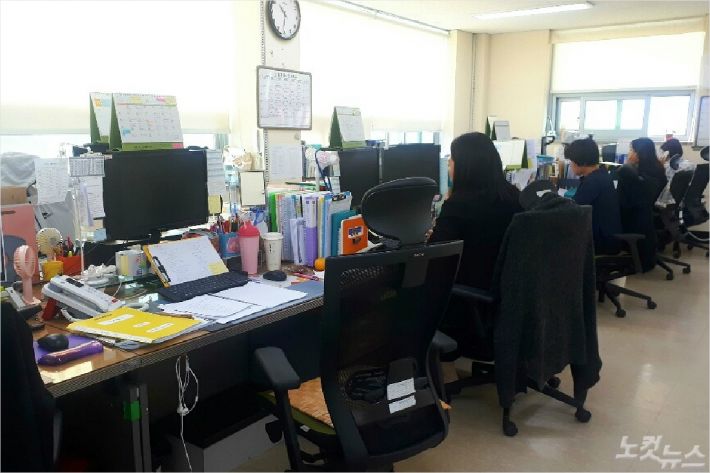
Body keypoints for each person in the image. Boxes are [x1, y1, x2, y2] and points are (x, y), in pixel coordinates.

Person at [428, 132, 522, 290]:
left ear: (464, 166)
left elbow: (436, 254)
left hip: (467, 289)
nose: (449, 165)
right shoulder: (515, 196)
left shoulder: (458, 205)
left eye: (452, 161)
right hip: (506, 289)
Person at [616, 137, 668, 271]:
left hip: (632, 220)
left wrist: (628, 165)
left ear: (639, 153)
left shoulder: (630, 174)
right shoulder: (657, 170)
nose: (629, 153)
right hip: (646, 219)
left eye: (631, 150)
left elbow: (622, 203)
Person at [565, 138, 622, 255]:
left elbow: (573, 210)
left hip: (601, 242)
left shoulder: (593, 182)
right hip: (606, 236)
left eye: (572, 161)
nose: (570, 165)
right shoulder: (601, 174)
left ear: (583, 162)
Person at [657, 138, 695, 206]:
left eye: (662, 152)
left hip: (666, 202)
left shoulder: (669, 167)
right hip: (680, 201)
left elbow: (661, 183)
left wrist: (660, 166)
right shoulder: (689, 165)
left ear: (667, 153)